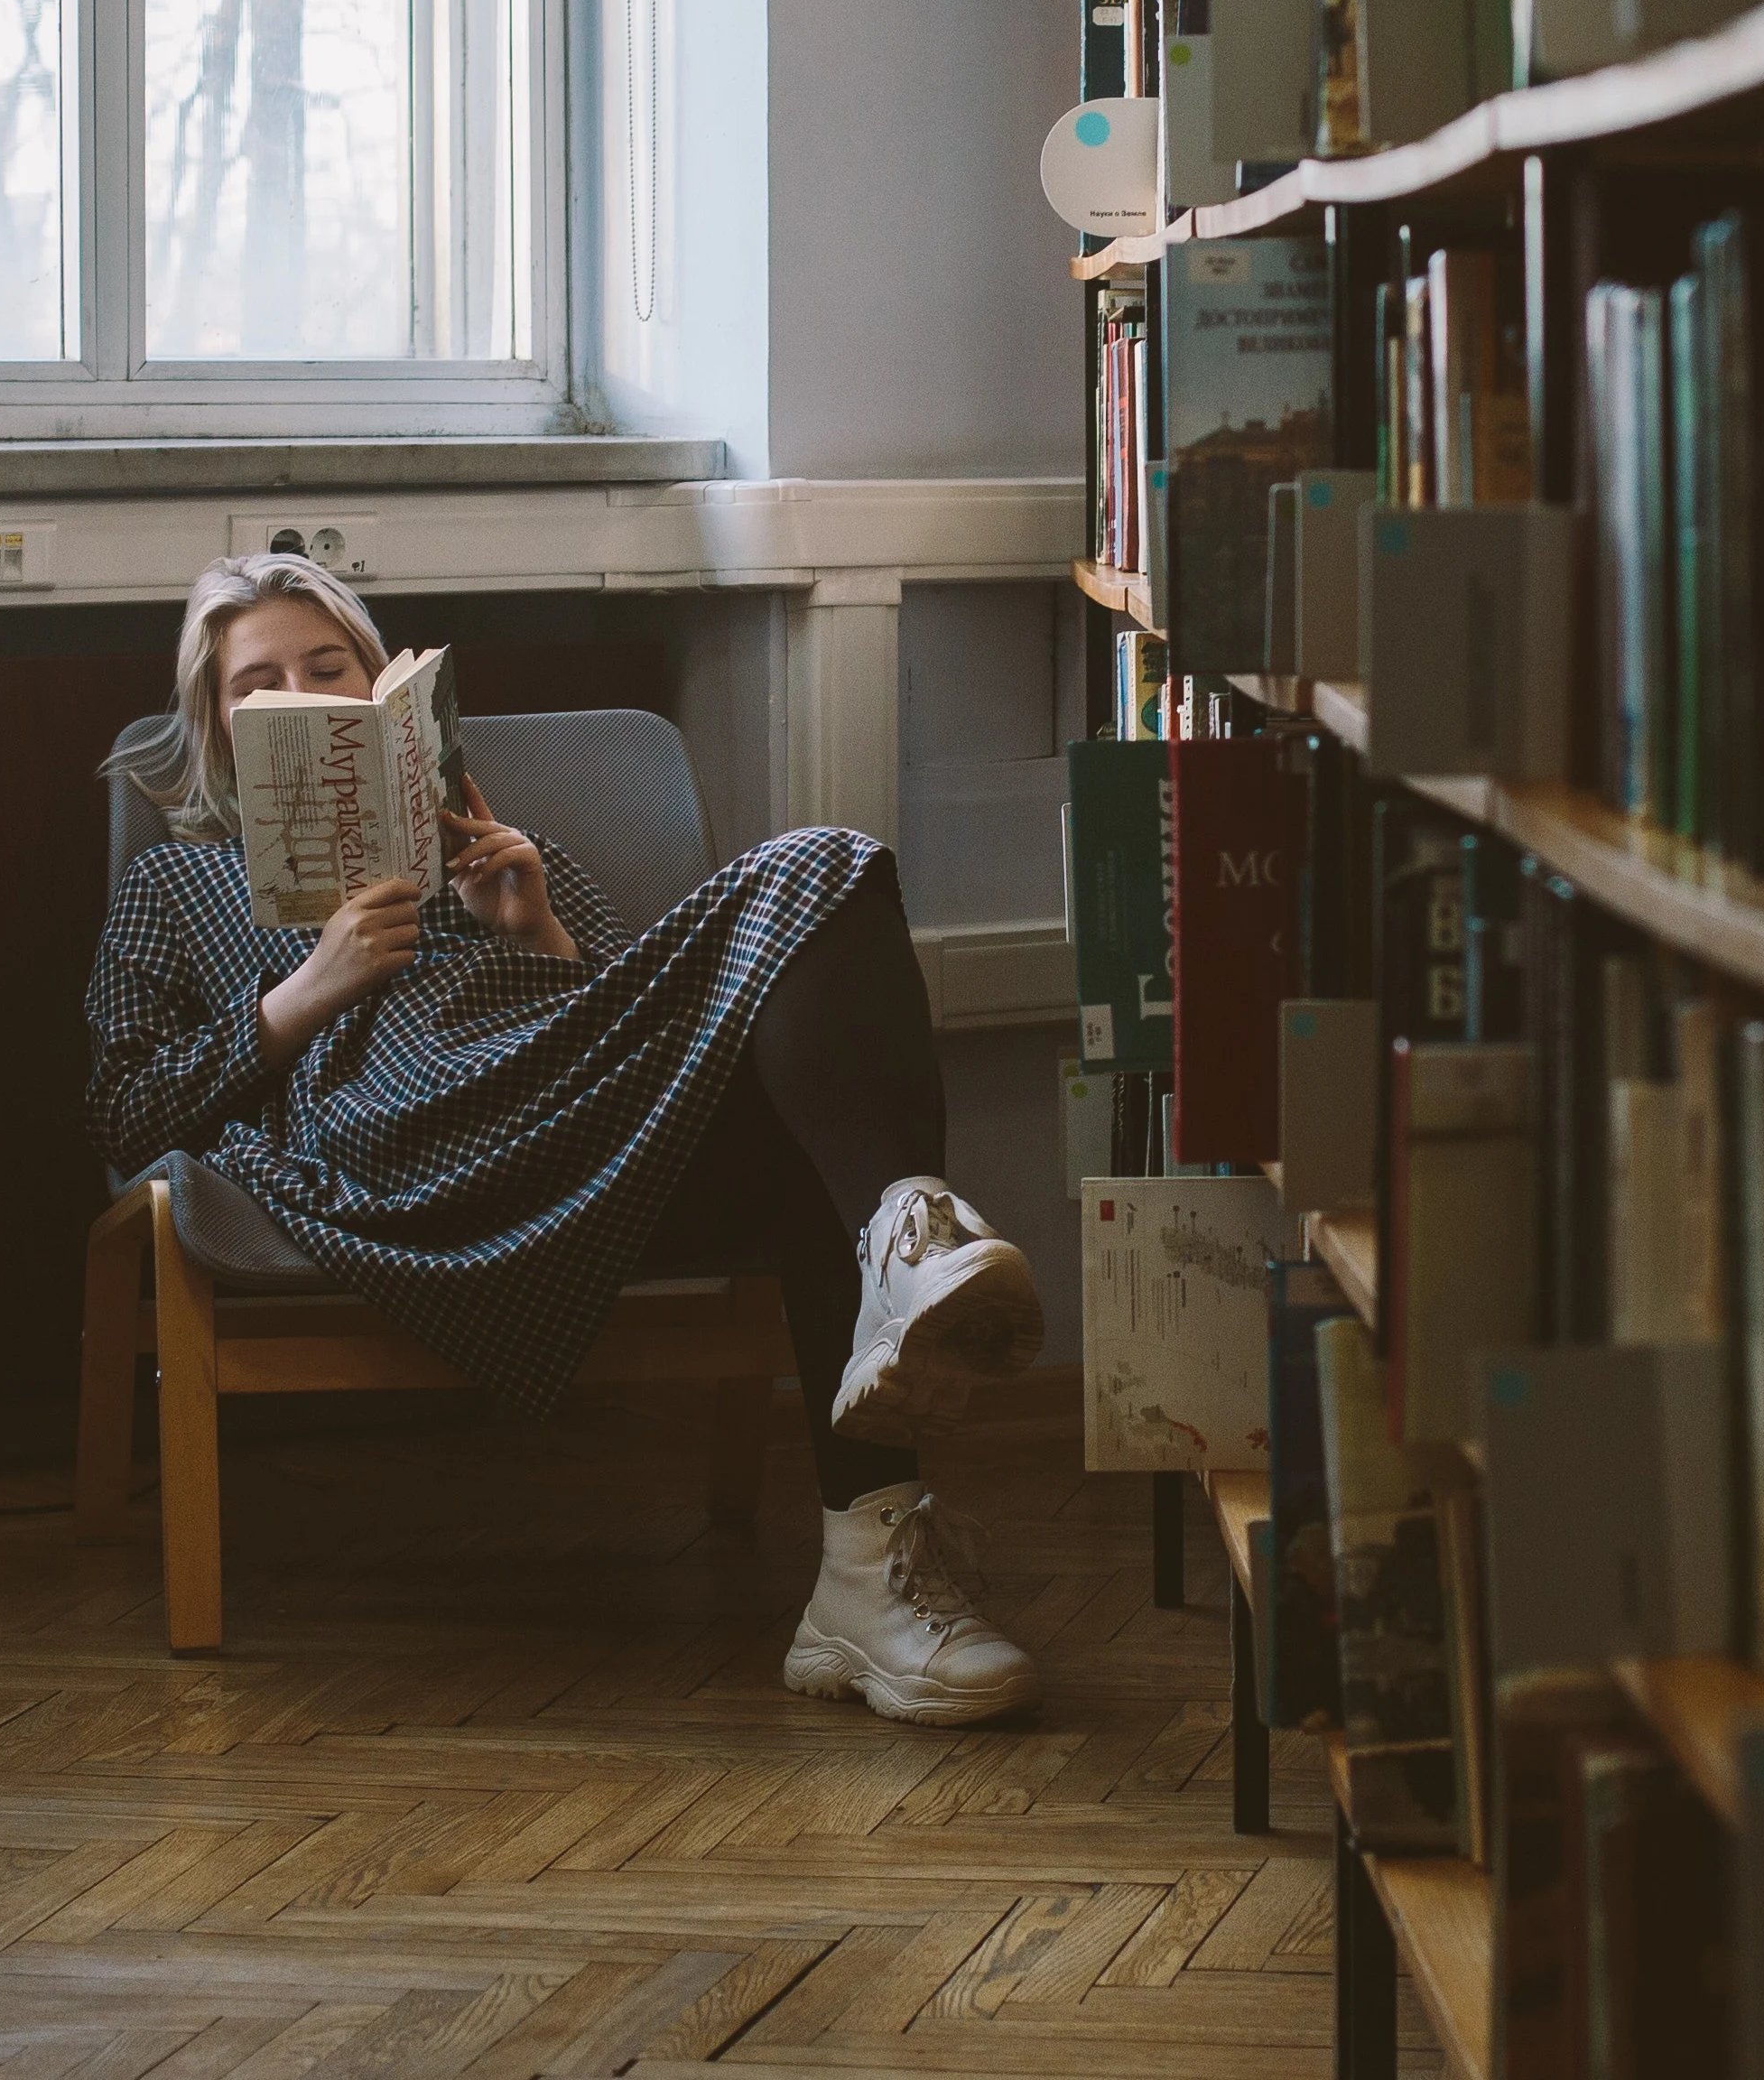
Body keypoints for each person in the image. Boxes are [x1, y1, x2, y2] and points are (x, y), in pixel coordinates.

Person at [83, 552, 1053, 1723]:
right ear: (222, 728)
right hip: (395, 1150)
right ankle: (904, 1244)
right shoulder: (177, 884)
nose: (303, 691)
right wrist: (304, 995)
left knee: (828, 872)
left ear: (382, 691)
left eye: (328, 667)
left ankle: (866, 1573)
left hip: (571, 1119)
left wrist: (534, 926)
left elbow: (641, 1021)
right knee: (809, 921)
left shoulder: (495, 848)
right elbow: (125, 1112)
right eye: (260, 685)